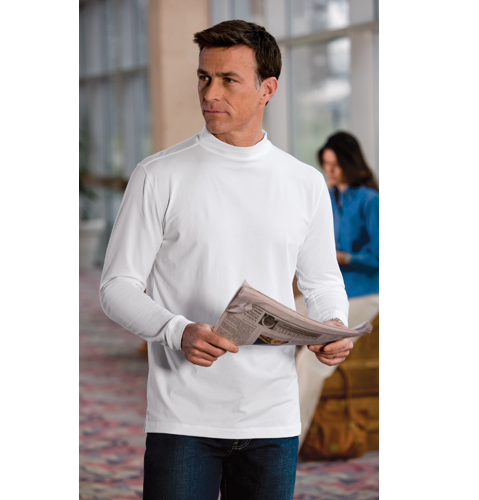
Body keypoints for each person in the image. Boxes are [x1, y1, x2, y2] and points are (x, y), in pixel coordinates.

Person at [99, 20, 353, 500]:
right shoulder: (158, 176)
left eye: (228, 80)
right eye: (204, 77)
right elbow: (116, 287)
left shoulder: (304, 183)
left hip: (273, 416)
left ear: (267, 89)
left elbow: (321, 281)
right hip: (184, 417)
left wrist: (332, 324)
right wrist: (177, 331)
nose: (210, 93)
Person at [296, 131, 379, 450]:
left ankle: (291, 439)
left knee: (310, 359)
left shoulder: (371, 200)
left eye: (335, 165)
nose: (329, 171)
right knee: (271, 322)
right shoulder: (327, 197)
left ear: (350, 163)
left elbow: (381, 257)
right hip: (332, 289)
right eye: (325, 165)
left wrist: (345, 257)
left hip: (364, 292)